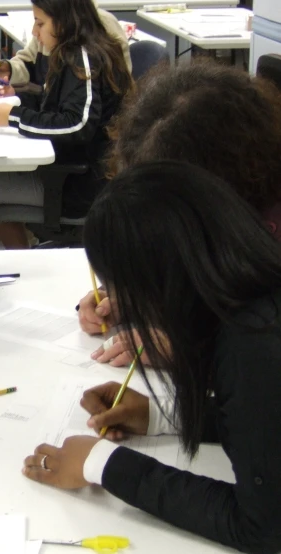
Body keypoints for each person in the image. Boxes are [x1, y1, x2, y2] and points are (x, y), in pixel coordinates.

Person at [23, 161, 281, 552]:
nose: (117, 300)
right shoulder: (253, 296)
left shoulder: (252, 344)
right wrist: (161, 414)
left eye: (120, 285)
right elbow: (264, 421)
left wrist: (103, 465)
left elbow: (263, 526)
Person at [78, 61, 281, 366]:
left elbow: (261, 339)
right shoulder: (228, 219)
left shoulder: (260, 242)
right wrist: (139, 298)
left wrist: (188, 346)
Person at [0, 0, 134, 249]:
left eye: (40, 23)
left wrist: (13, 115)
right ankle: (20, 267)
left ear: (64, 21)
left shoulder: (83, 58)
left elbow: (77, 123)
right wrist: (17, 99)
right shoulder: (72, 53)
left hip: (78, 184)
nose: (34, 32)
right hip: (70, 171)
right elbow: (58, 105)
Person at [0, 2, 132, 87]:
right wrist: (9, 70)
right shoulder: (48, 28)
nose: (35, 32)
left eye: (40, 23)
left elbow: (74, 116)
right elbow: (28, 62)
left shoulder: (100, 29)